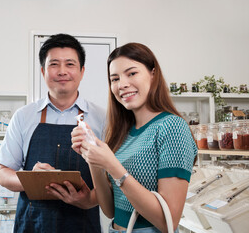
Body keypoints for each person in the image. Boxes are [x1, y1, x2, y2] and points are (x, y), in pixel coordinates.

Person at [71, 42, 197, 233]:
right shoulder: (123, 132)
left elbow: (168, 221)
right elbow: (110, 210)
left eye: (132, 73)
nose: (122, 84)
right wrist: (93, 160)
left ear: (153, 74)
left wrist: (113, 166)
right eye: (114, 79)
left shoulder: (172, 127)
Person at [0, 33, 106, 233]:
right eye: (54, 64)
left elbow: (111, 179)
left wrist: (88, 200)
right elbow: (3, 174)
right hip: (33, 224)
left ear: (82, 71)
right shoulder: (24, 116)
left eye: (70, 64)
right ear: (43, 71)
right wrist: (30, 178)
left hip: (82, 223)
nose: (62, 71)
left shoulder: (102, 118)